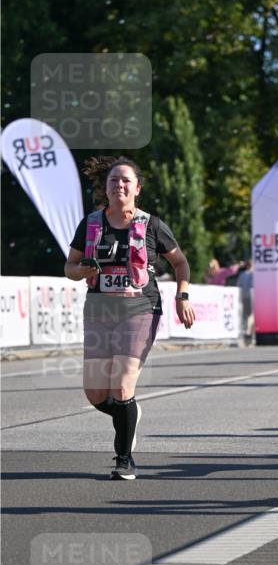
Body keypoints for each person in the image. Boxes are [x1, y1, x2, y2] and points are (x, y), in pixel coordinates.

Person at [65, 156, 195, 480]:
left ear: (137, 188)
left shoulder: (152, 225)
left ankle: (124, 459)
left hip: (139, 309)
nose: (119, 185)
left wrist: (182, 296)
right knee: (96, 393)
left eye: (125, 180)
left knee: (122, 386)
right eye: (113, 181)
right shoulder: (91, 224)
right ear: (105, 189)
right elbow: (69, 267)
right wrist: (80, 271)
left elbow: (181, 263)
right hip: (99, 310)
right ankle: (129, 415)